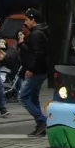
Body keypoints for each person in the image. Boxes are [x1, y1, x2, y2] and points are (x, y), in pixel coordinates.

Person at [19, 8, 49, 137]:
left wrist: (30, 69)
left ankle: (42, 121)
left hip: (36, 71)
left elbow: (36, 54)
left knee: (23, 96)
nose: (26, 22)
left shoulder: (36, 34)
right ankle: (40, 125)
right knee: (33, 97)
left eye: (27, 19)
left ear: (33, 20)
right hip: (41, 70)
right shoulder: (41, 32)